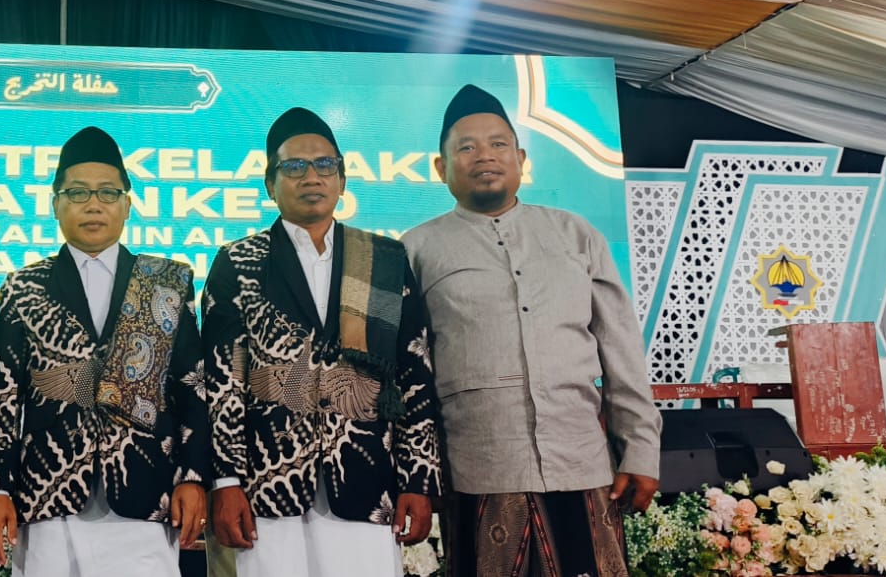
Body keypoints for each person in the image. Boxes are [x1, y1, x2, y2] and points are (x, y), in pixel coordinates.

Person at [403, 84, 662, 577]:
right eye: (466, 147)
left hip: (582, 463)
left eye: (499, 144)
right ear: (440, 168)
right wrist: (417, 475)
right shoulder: (416, 249)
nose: (485, 156)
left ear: (521, 158)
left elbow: (622, 351)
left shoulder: (576, 235)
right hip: (481, 468)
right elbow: (407, 376)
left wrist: (641, 449)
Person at [203, 107, 440, 577]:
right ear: (270, 184)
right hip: (268, 484)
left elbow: (414, 372)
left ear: (342, 179)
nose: (310, 176)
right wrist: (225, 480)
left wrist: (417, 478)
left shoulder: (383, 259)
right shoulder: (239, 262)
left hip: (366, 477)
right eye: (293, 166)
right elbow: (222, 380)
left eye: (324, 164)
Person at [0, 126, 209, 577]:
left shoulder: (166, 281)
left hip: (146, 495)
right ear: (55, 204)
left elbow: (192, 387)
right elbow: (4, 397)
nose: (93, 204)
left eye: (107, 192)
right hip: (49, 496)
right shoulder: (24, 287)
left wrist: (193, 477)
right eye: (78, 192)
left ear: (127, 204)